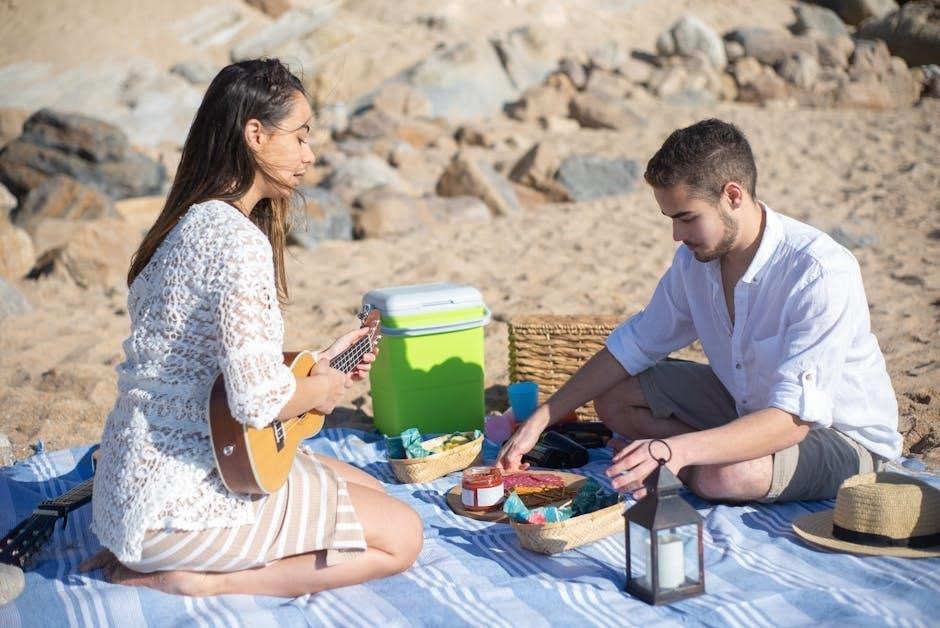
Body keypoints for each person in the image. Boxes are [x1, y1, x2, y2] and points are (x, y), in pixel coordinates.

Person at [79, 59, 423, 596]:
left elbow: (212, 368)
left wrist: (319, 365)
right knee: (403, 535)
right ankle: (201, 583)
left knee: (367, 488)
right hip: (180, 504)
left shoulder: (186, 223)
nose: (309, 155)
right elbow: (256, 403)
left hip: (126, 493)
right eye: (300, 136)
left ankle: (163, 555)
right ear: (255, 134)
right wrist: (323, 391)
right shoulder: (239, 243)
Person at [496, 118, 901, 504]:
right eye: (670, 219)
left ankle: (693, 464)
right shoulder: (695, 262)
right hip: (745, 405)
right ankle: (697, 457)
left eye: (687, 218)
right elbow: (633, 346)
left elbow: (792, 419)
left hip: (837, 434)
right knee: (614, 397)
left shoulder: (818, 271)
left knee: (726, 476)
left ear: (733, 196)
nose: (677, 235)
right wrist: (543, 417)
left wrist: (674, 450)